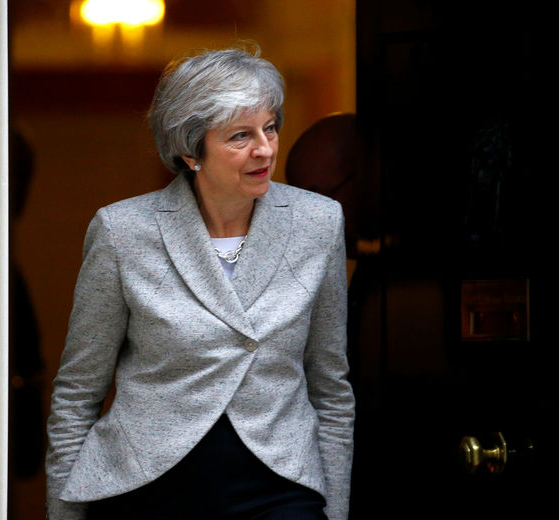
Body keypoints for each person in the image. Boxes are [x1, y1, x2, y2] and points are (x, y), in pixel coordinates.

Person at [45, 45, 355, 520]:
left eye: (270, 127)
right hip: (146, 488)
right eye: (240, 136)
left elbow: (331, 389)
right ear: (191, 149)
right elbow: (77, 395)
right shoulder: (122, 232)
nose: (266, 149)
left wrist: (334, 510)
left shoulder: (319, 223)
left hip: (280, 490)